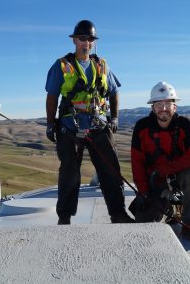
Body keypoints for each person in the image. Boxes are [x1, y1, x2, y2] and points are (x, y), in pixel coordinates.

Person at [45, 20, 133, 225]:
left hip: (99, 127)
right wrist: (51, 124)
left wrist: (115, 117)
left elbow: (114, 92)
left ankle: (118, 214)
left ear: (93, 42)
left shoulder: (102, 65)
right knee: (69, 174)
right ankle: (64, 218)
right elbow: (52, 97)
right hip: (70, 128)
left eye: (90, 39)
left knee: (111, 172)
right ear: (74, 40)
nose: (86, 42)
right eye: (82, 38)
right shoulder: (62, 66)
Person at [130, 81, 190, 241]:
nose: (163, 108)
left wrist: (164, 170)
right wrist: (143, 192)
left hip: (179, 176)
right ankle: (169, 212)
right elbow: (137, 162)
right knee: (144, 224)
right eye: (158, 104)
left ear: (174, 107)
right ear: (152, 108)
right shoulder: (142, 127)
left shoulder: (185, 125)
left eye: (167, 104)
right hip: (154, 182)